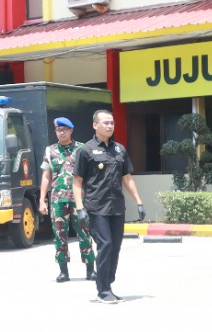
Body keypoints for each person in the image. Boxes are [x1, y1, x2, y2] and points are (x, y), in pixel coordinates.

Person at [72, 109, 145, 304]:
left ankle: (108, 285)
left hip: (117, 207)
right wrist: (80, 208)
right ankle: (102, 289)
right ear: (95, 125)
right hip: (96, 208)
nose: (110, 126)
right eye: (106, 123)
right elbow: (77, 181)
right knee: (105, 245)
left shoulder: (119, 149)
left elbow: (127, 178)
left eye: (112, 123)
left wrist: (139, 201)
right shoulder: (86, 150)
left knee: (115, 247)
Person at [38, 116, 94, 283]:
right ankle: (63, 271)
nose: (61, 133)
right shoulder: (50, 151)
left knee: (84, 234)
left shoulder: (82, 149)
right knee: (59, 235)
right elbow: (46, 176)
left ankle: (90, 269)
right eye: (58, 130)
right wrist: (42, 200)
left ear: (71, 130)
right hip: (57, 200)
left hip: (79, 200)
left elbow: (90, 175)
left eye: (64, 130)